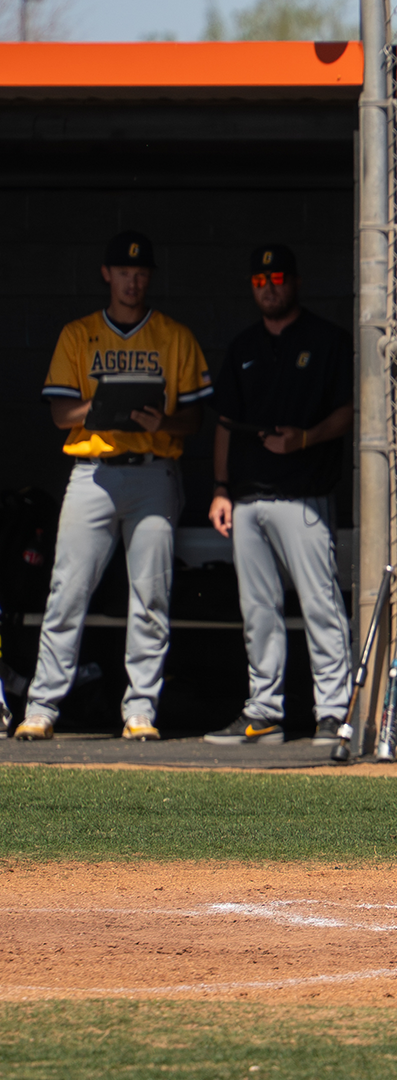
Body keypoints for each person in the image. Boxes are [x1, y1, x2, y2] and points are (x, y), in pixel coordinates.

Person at [17, 231, 210, 741]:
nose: (133, 280)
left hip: (152, 470)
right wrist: (102, 410)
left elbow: (193, 420)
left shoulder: (173, 335)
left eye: (141, 273)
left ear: (150, 276)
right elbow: (61, 413)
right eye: (124, 272)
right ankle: (41, 708)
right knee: (67, 592)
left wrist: (159, 423)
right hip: (93, 473)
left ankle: (140, 710)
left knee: (150, 597)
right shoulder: (79, 334)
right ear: (106, 274)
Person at [203, 244, 355, 746]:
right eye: (260, 281)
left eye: (278, 278)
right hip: (247, 499)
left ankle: (334, 711)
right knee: (259, 611)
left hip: (303, 496)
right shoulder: (243, 346)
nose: (270, 288)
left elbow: (348, 412)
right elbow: (224, 422)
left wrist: (303, 438)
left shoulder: (326, 340)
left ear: (295, 281)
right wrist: (221, 488)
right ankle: (264, 711)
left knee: (320, 605)